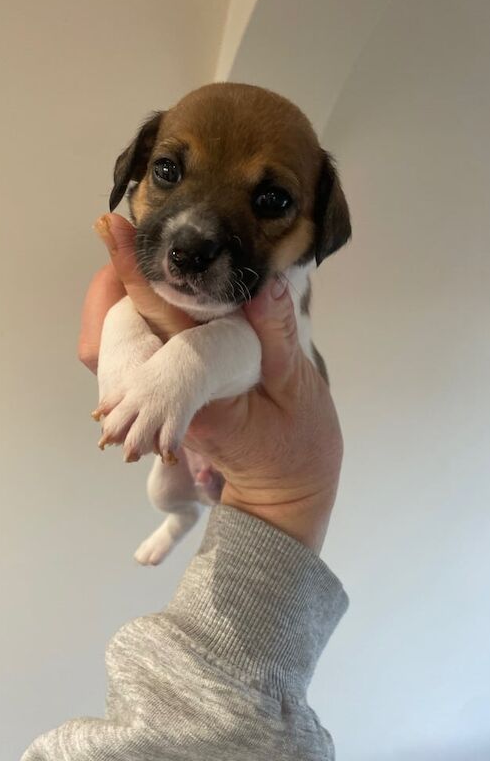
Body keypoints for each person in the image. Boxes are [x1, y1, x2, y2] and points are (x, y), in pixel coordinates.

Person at [21, 214, 348, 760]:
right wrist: (125, 350)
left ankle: (184, 515)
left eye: (269, 201)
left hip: (252, 425)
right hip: (231, 471)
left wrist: (177, 371)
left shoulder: (276, 290)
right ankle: (181, 519)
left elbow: (244, 349)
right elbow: (129, 314)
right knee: (164, 491)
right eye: (169, 174)